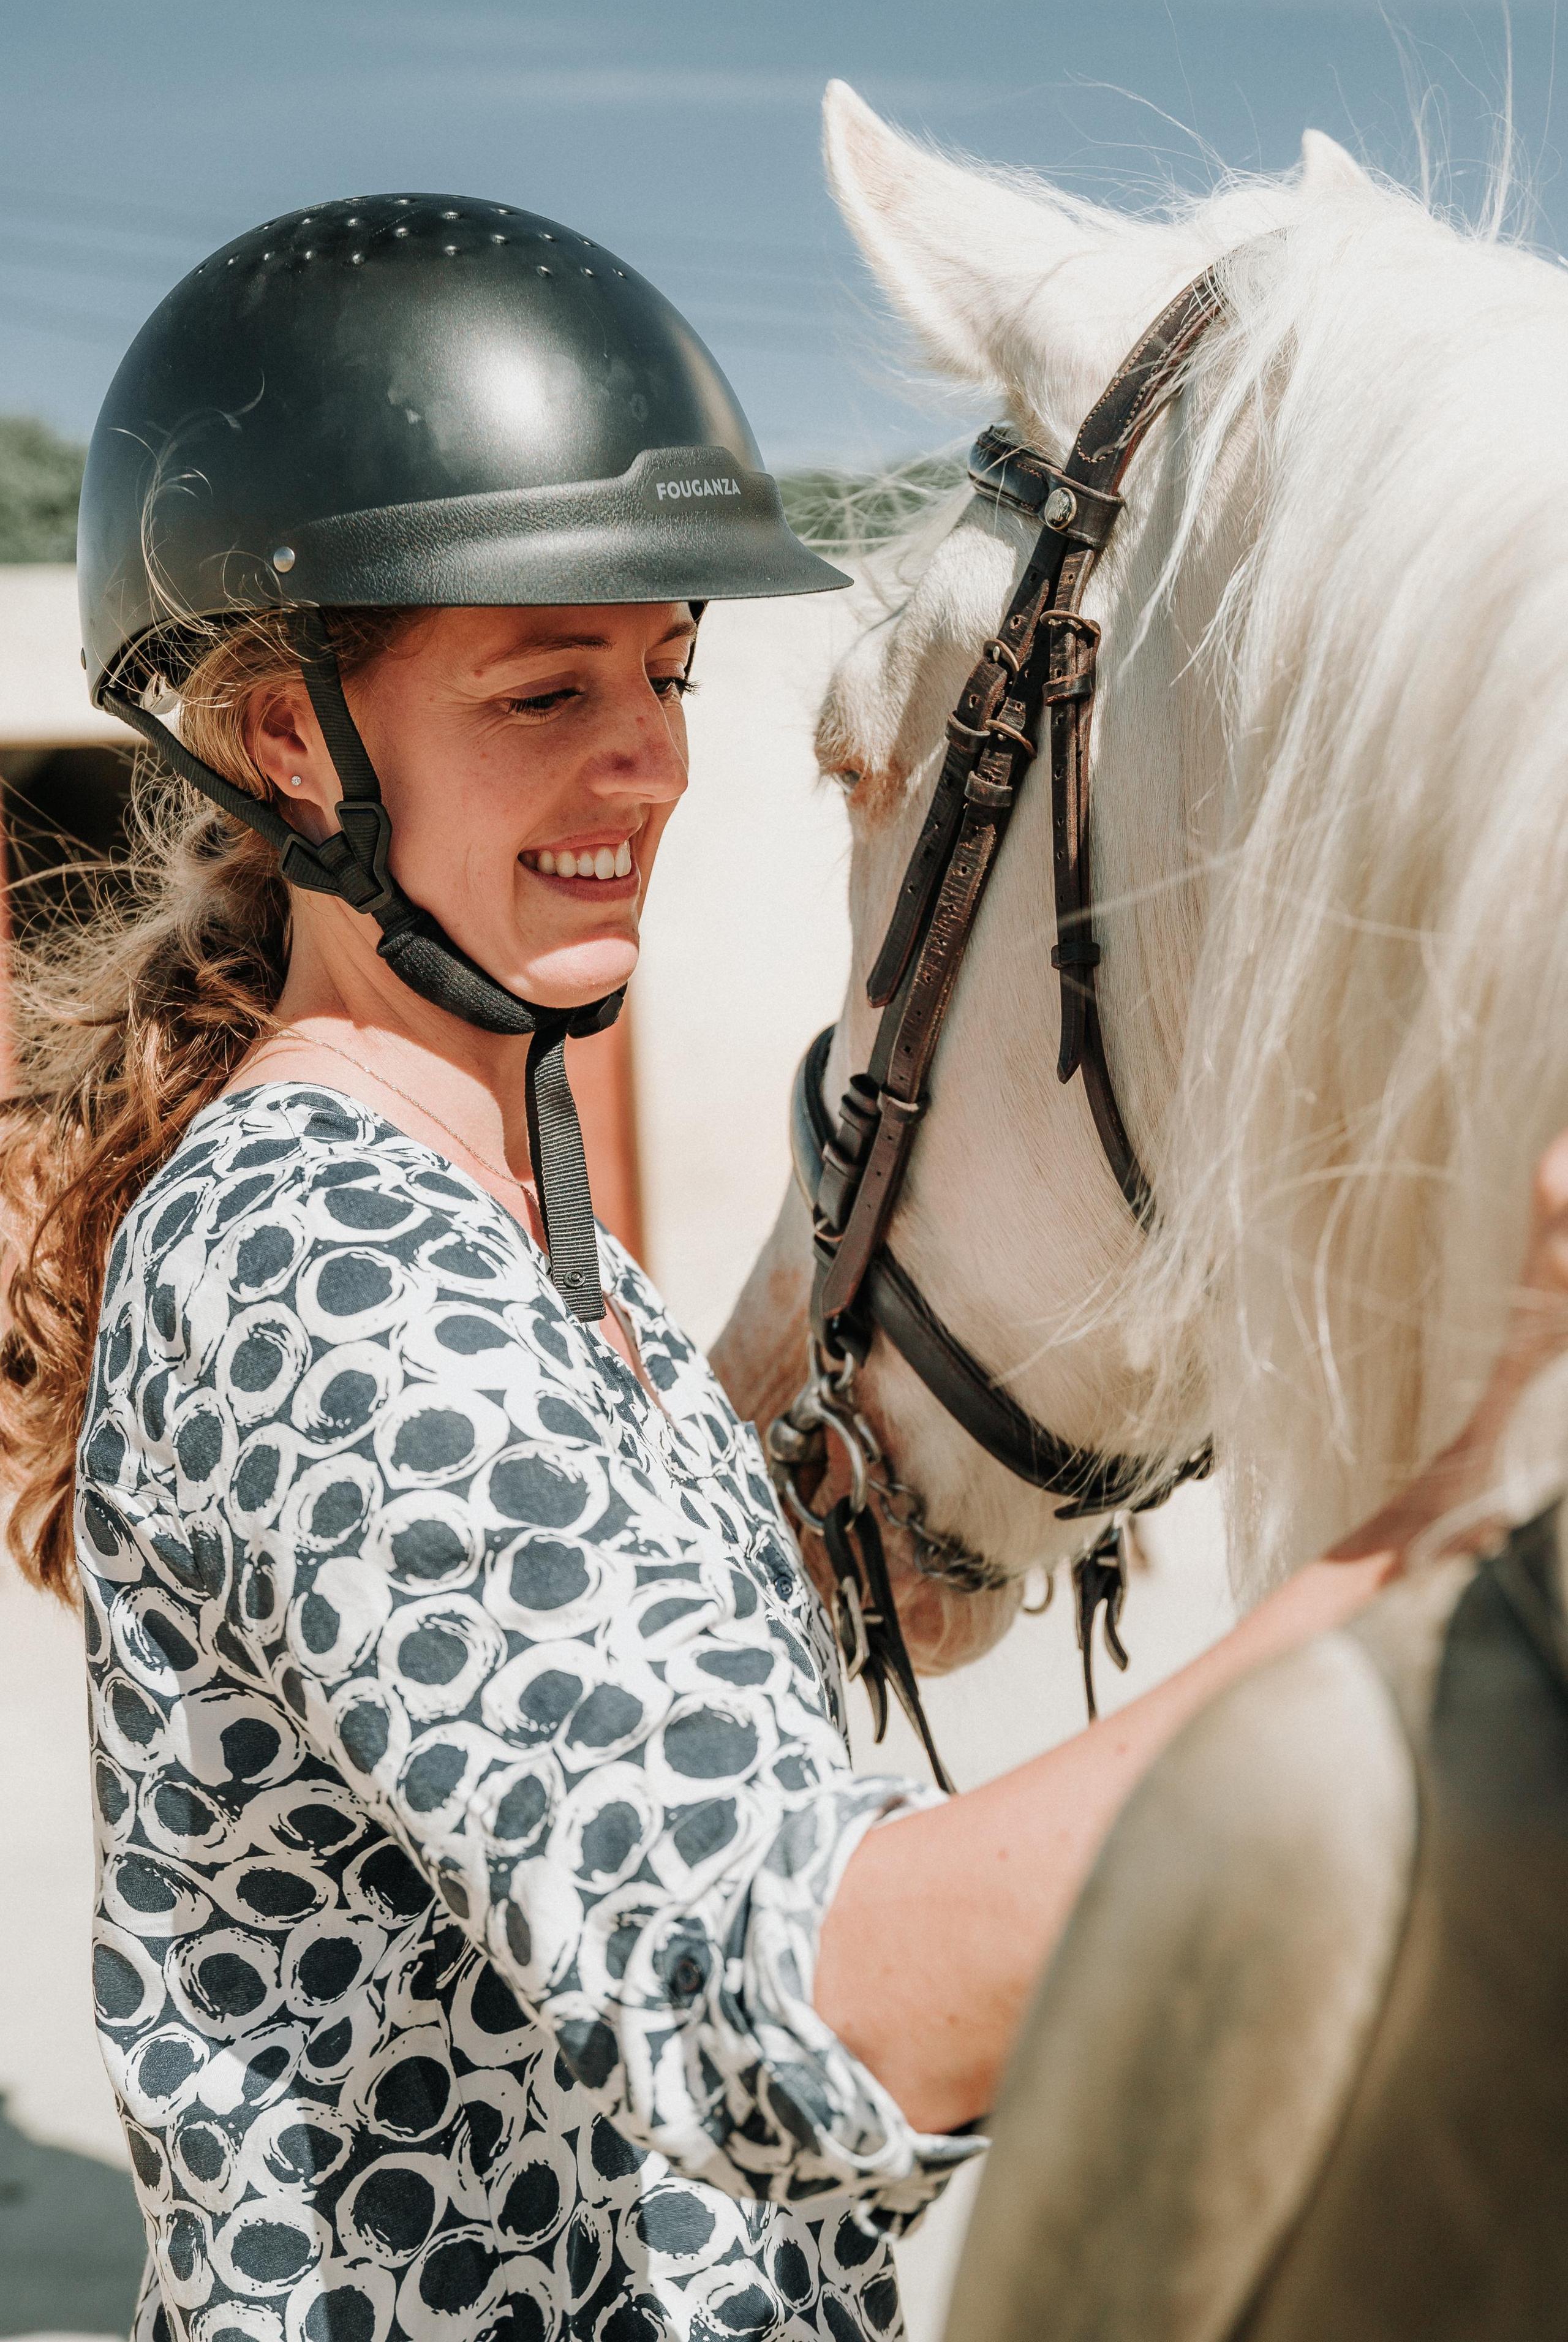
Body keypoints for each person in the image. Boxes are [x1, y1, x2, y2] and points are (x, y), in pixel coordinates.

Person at [1, 192, 1556, 2342]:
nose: (647, 763)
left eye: (664, 672)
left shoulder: (559, 1267)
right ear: (288, 742)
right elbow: (814, 1994)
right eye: (549, 689)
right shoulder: (318, 1261)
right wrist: (1448, 1520)